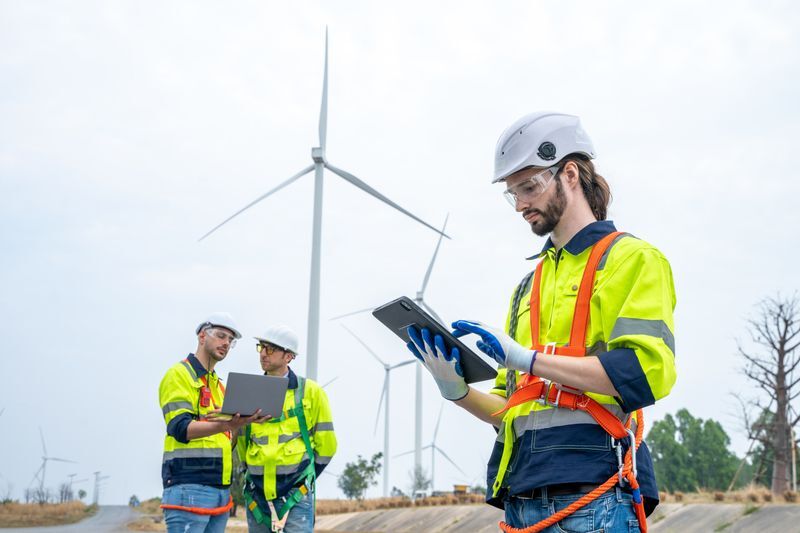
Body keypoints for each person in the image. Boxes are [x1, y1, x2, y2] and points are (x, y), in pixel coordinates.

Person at [406, 112, 677, 532]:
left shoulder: (632, 260)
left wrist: (526, 358)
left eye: (529, 187)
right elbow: (511, 411)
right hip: (522, 497)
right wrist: (456, 391)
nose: (520, 205)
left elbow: (642, 374)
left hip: (594, 498)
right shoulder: (525, 289)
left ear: (569, 173)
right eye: (512, 193)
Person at [159, 312, 267, 533]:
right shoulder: (179, 375)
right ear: (201, 336)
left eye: (230, 340)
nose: (226, 343)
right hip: (188, 487)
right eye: (221, 336)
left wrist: (246, 421)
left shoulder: (220, 387)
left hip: (220, 491)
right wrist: (227, 424)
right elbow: (180, 429)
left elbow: (227, 442)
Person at [238, 325, 337, 533]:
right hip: (257, 494)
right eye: (261, 347)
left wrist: (305, 477)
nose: (263, 353)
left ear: (289, 356)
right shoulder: (248, 390)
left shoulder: (310, 392)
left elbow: (327, 445)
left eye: (271, 349)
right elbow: (241, 441)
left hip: (296, 493)